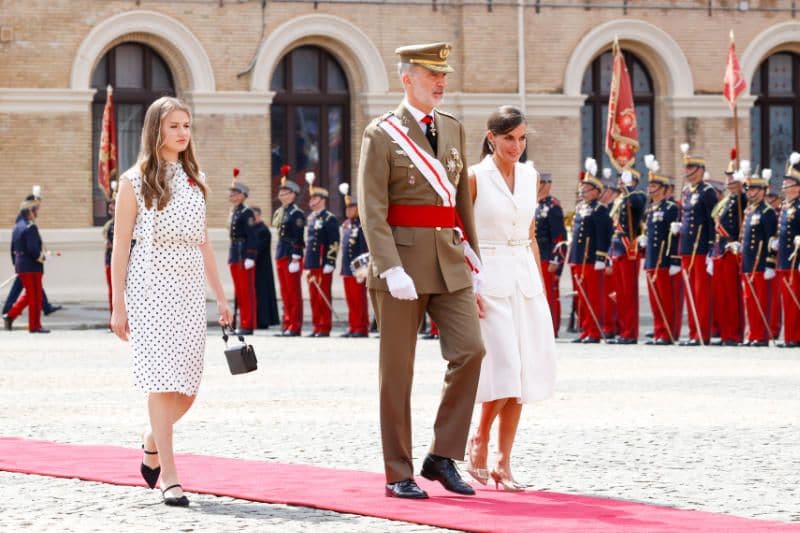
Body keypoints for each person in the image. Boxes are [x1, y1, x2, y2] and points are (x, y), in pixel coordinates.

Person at [357, 42, 484, 499]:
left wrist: (474, 255)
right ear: (407, 78)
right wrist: (389, 267)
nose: (441, 82)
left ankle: (441, 455)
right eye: (431, 75)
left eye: (444, 75)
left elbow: (460, 200)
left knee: (471, 351)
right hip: (401, 268)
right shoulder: (382, 133)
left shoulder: (452, 129)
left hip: (449, 261)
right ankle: (398, 472)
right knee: (398, 373)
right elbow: (372, 208)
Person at [110, 96, 232, 507]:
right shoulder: (133, 181)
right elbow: (119, 247)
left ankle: (151, 438)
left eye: (187, 125)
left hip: (188, 288)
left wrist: (221, 295)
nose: (182, 133)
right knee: (161, 381)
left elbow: (205, 244)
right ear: (156, 130)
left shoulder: (194, 180)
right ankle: (171, 476)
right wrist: (118, 305)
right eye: (174, 126)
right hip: (149, 288)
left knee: (189, 386)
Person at [465, 106, 556, 492]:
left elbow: (531, 232)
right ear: (491, 137)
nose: (516, 146)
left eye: (521, 138)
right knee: (505, 365)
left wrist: (541, 285)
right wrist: (468, 287)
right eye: (508, 139)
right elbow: (459, 234)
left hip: (524, 276)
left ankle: (504, 460)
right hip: (488, 276)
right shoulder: (474, 177)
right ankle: (478, 438)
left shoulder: (530, 175)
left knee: (525, 371)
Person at [568, 159, 612, 343]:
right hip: (579, 258)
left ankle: (594, 331)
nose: (583, 190)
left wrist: (601, 257)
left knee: (593, 297)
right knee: (582, 298)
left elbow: (604, 235)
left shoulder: (600, 209)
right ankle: (585, 329)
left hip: (592, 258)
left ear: (595, 191)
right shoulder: (580, 207)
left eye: (586, 187)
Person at [677, 145, 716, 346]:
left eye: (690, 168)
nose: (687, 172)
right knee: (690, 293)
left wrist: (711, 248)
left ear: (700, 170)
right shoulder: (686, 191)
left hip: (700, 248)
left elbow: (711, 221)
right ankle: (693, 332)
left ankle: (702, 333)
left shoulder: (707, 192)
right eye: (686, 168)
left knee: (701, 294)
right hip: (687, 246)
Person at [641, 156, 681, 345]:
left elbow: (673, 236)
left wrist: (674, 259)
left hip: (663, 259)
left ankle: (667, 333)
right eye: (650, 186)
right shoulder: (650, 209)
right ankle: (658, 331)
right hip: (651, 257)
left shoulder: (671, 208)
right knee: (655, 300)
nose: (650, 189)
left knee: (665, 299)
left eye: (654, 186)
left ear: (664, 189)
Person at [709, 154, 746, 346]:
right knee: (722, 296)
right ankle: (725, 333)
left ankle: (734, 333)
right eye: (728, 177)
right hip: (721, 249)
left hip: (732, 250)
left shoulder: (742, 198)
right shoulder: (728, 200)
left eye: (733, 177)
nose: (729, 180)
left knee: (732, 296)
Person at [607, 169, 646, 344]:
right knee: (620, 294)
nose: (620, 183)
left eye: (625, 180)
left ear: (634, 181)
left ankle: (630, 332)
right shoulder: (620, 200)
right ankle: (623, 330)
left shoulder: (637, 196)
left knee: (629, 294)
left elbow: (638, 203)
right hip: (618, 249)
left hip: (629, 249)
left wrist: (629, 189)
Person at [739, 170, 777, 346]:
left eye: (754, 189)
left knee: (760, 300)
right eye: (748, 189)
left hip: (760, 263)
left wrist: (770, 263)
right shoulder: (749, 211)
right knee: (749, 301)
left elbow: (771, 238)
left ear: (763, 191)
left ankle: (761, 336)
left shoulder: (768, 211)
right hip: (748, 261)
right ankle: (752, 333)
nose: (750, 192)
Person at [3, 197, 50, 333]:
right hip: (32, 266)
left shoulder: (17, 227)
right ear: (30, 212)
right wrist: (42, 257)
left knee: (30, 295)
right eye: (35, 211)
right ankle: (34, 326)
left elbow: (12, 247)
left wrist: (16, 264)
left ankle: (10, 315)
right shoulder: (30, 227)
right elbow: (33, 249)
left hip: (22, 265)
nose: (36, 213)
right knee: (35, 297)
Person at [303, 177, 340, 337]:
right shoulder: (311, 218)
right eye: (311, 198)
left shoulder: (329, 218)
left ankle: (325, 327)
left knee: (322, 295)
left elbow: (334, 241)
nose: (311, 200)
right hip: (312, 263)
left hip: (322, 262)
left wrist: (330, 261)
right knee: (313, 297)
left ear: (322, 200)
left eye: (315, 198)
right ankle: (316, 326)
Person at [273, 170, 306, 337]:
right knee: (285, 292)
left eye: (285, 193)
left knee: (293, 293)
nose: (281, 195)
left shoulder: (297, 213)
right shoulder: (282, 212)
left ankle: (295, 325)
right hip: (281, 253)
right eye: (280, 192)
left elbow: (298, 237)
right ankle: (287, 323)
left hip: (291, 255)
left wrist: (296, 257)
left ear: (293, 195)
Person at [535, 172, 566, 337]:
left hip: (548, 256)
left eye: (539, 183)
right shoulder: (536, 205)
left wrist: (557, 259)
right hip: (537, 256)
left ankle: (552, 328)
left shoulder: (553, 206)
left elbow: (559, 237)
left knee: (550, 293)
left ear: (546, 184)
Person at [228, 171, 258, 335]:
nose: (231, 195)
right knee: (239, 291)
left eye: (234, 193)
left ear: (242, 195)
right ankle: (240, 322)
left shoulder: (247, 212)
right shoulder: (235, 211)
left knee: (246, 291)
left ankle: (248, 324)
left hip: (243, 254)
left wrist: (251, 256)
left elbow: (252, 235)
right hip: (235, 253)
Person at [339, 183, 370, 338]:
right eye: (347, 208)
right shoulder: (347, 226)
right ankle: (353, 326)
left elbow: (364, 250)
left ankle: (361, 327)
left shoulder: (362, 226)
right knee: (351, 300)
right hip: (347, 268)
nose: (348, 210)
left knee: (359, 300)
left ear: (358, 209)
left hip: (358, 269)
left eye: (352, 207)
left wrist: (363, 271)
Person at [777, 152, 800, 348]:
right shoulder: (785, 205)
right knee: (787, 300)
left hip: (796, 259)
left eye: (789, 183)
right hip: (784, 258)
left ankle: (796, 336)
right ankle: (790, 336)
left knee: (795, 299)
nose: (784, 186)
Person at [251, 206, 280, 329]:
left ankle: (263, 320)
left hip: (262, 267)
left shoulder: (263, 230)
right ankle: (256, 319)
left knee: (263, 293)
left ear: (258, 216)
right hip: (255, 267)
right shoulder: (252, 229)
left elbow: (258, 246)